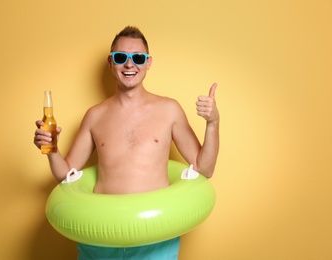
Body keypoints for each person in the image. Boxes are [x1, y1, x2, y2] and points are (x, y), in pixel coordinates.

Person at [34, 26, 219, 259]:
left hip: (155, 236)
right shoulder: (95, 116)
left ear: (148, 62)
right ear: (111, 62)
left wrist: (213, 123)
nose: (129, 65)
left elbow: (205, 168)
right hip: (100, 236)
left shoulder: (169, 110)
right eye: (121, 57)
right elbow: (65, 174)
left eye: (138, 58)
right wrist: (51, 148)